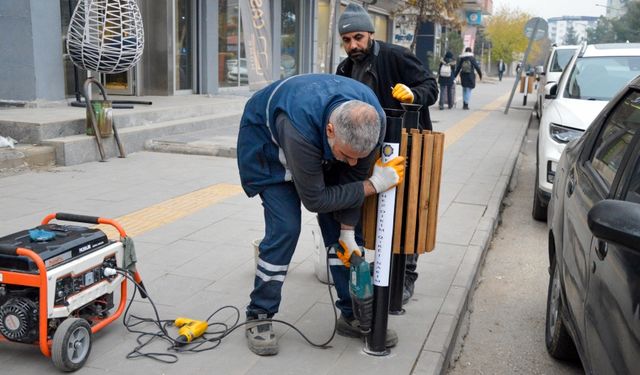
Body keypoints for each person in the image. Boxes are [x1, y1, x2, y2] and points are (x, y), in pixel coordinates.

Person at [237, 74, 406, 356]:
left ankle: (350, 314)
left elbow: (352, 174)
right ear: (330, 130)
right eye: (346, 154)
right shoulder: (298, 128)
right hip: (270, 150)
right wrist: (373, 185)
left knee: (341, 233)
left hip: (319, 146)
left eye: (358, 156)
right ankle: (259, 314)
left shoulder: (370, 120)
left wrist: (348, 231)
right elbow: (315, 199)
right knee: (285, 229)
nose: (353, 161)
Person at [335, 2, 438, 305]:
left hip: (407, 147)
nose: (353, 45)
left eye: (358, 38)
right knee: (374, 210)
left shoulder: (395, 56)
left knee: (407, 211)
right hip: (367, 150)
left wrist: (413, 94)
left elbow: (430, 86)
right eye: (347, 40)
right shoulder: (344, 69)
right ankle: (377, 265)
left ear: (370, 33)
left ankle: (406, 275)